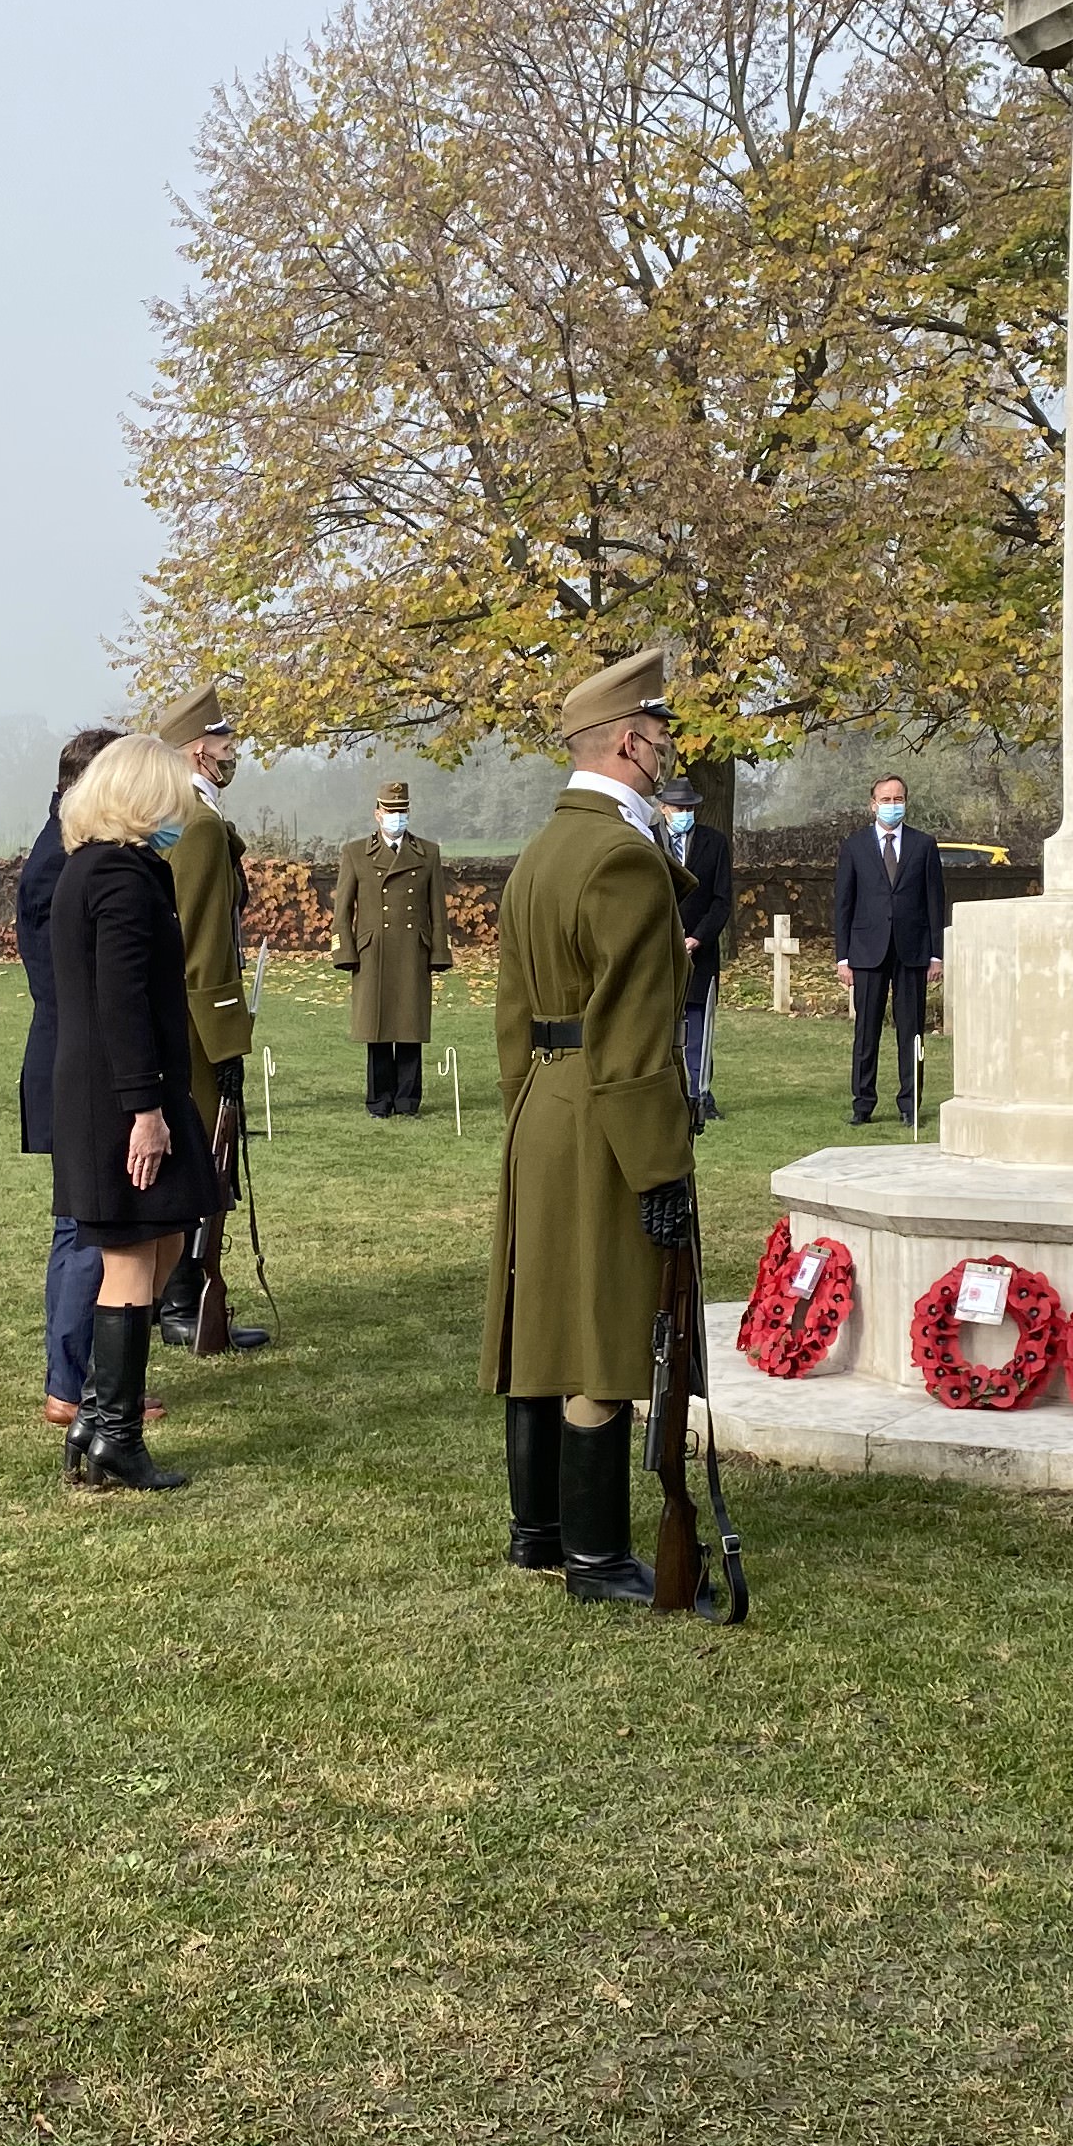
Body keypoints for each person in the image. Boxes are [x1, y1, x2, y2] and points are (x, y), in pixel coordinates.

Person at [483, 648, 696, 1604]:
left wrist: (525, 1108)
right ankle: (598, 1555)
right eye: (658, 739)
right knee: (603, 1324)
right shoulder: (623, 856)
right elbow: (634, 1035)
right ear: (628, 742)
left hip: (544, 1102)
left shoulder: (541, 852)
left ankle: (538, 1532)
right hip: (606, 1113)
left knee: (542, 1318)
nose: (665, 755)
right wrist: (659, 1166)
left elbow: (511, 1015)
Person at [46, 732, 222, 1490]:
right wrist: (144, 1109)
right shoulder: (118, 876)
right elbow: (120, 1000)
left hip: (116, 1086)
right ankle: (115, 1437)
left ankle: (94, 1415)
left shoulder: (99, 867)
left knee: (165, 1236)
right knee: (128, 1254)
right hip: (120, 1093)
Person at [145, 685, 262, 1351]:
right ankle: (183, 1299)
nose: (232, 751)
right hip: (193, 1022)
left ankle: (169, 1294)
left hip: (176, 1013)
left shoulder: (179, 813)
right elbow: (201, 943)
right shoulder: (197, 823)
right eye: (224, 741)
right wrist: (226, 1041)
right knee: (203, 1156)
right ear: (198, 750)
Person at [21, 725, 128, 1429]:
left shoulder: (59, 850)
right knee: (89, 1228)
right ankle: (77, 1381)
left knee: (77, 1227)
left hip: (70, 1056)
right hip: (80, 1061)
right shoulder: (64, 862)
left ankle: (74, 1379)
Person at [330, 780, 452, 1116]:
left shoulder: (428, 853)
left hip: (413, 949)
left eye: (402, 810)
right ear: (377, 813)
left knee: (410, 1026)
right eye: (390, 810)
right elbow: (343, 911)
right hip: (373, 952)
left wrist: (439, 953)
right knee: (377, 1026)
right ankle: (379, 1100)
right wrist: (344, 952)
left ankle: (408, 1100)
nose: (396, 817)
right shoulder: (355, 853)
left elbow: (437, 908)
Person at [833, 774, 945, 1127]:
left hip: (912, 951)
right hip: (867, 952)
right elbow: (844, 904)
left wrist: (936, 954)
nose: (892, 805)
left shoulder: (923, 845)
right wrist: (843, 957)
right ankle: (863, 1104)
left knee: (911, 1032)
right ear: (873, 805)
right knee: (866, 1033)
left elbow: (935, 902)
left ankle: (910, 1104)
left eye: (898, 799)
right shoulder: (855, 846)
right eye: (886, 799)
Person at [666, 778, 731, 1123]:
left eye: (689, 808)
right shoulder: (646, 839)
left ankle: (701, 1094)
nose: (684, 813)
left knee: (698, 1028)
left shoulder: (714, 843)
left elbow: (722, 900)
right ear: (663, 808)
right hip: (659, 954)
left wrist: (697, 938)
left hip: (699, 954)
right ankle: (664, 1094)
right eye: (679, 807)